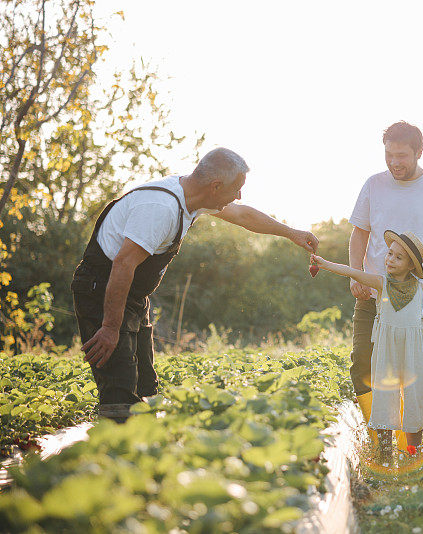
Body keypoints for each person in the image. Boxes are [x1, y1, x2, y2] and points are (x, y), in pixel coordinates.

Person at [71, 148, 319, 421]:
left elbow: (243, 216)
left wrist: (291, 233)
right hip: (103, 290)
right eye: (236, 189)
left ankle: (141, 446)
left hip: (133, 295)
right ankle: (112, 451)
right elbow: (123, 265)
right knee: (120, 396)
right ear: (215, 186)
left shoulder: (193, 197)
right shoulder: (160, 208)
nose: (239, 196)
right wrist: (109, 327)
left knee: (145, 388)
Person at [348, 121, 423, 451]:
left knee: (410, 372)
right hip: (374, 293)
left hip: (415, 300)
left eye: (401, 155)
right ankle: (380, 436)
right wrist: (355, 273)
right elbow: (359, 232)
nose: (394, 162)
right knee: (363, 362)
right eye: (389, 155)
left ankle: (408, 441)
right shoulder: (373, 185)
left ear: (419, 152)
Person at [310, 230, 423, 458]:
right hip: (388, 350)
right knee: (386, 397)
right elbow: (352, 272)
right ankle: (386, 451)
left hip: (416, 352)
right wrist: (324, 264)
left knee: (415, 398)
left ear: (411, 266)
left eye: (399, 257)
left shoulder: (420, 290)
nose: (390, 259)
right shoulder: (381, 283)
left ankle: (413, 452)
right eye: (390, 254)